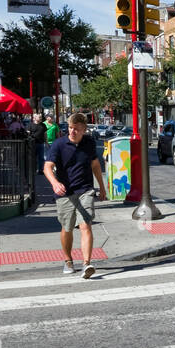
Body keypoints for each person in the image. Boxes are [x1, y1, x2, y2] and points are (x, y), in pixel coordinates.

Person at [45, 112, 107, 278]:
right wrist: (55, 183)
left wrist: (102, 186)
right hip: (65, 192)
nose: (72, 132)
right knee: (67, 228)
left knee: (86, 224)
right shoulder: (59, 144)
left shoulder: (89, 143)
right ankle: (68, 260)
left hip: (85, 189)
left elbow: (95, 165)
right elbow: (47, 167)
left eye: (76, 129)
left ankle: (86, 263)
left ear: (84, 130)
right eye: (71, 128)